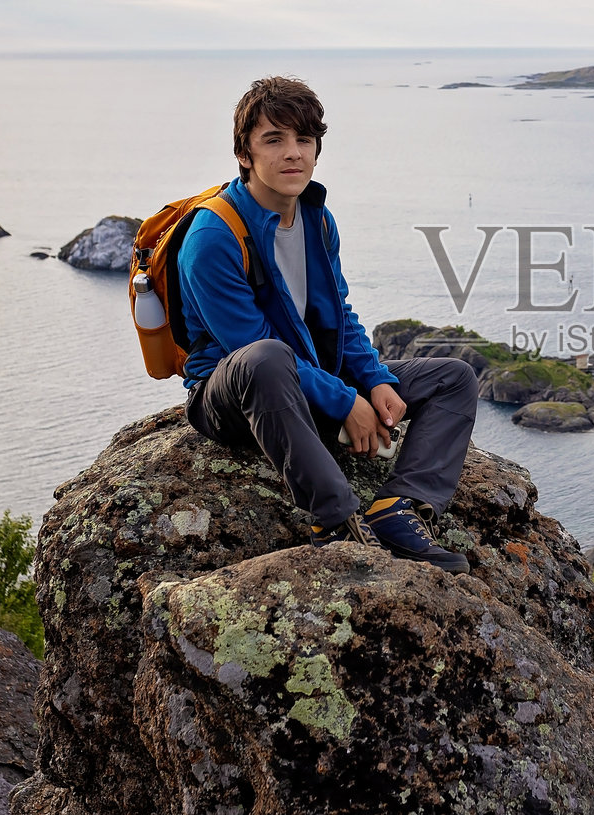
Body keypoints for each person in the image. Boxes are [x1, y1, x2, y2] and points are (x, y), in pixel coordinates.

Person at [176, 76, 477, 574]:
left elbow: (341, 313)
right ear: (245, 155)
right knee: (267, 358)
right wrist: (345, 403)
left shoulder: (317, 218)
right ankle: (336, 521)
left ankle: (399, 508)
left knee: (454, 377)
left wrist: (375, 380)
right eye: (273, 140)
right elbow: (250, 346)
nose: (292, 153)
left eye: (304, 140)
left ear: (317, 149)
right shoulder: (213, 237)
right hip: (235, 397)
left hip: (311, 374)